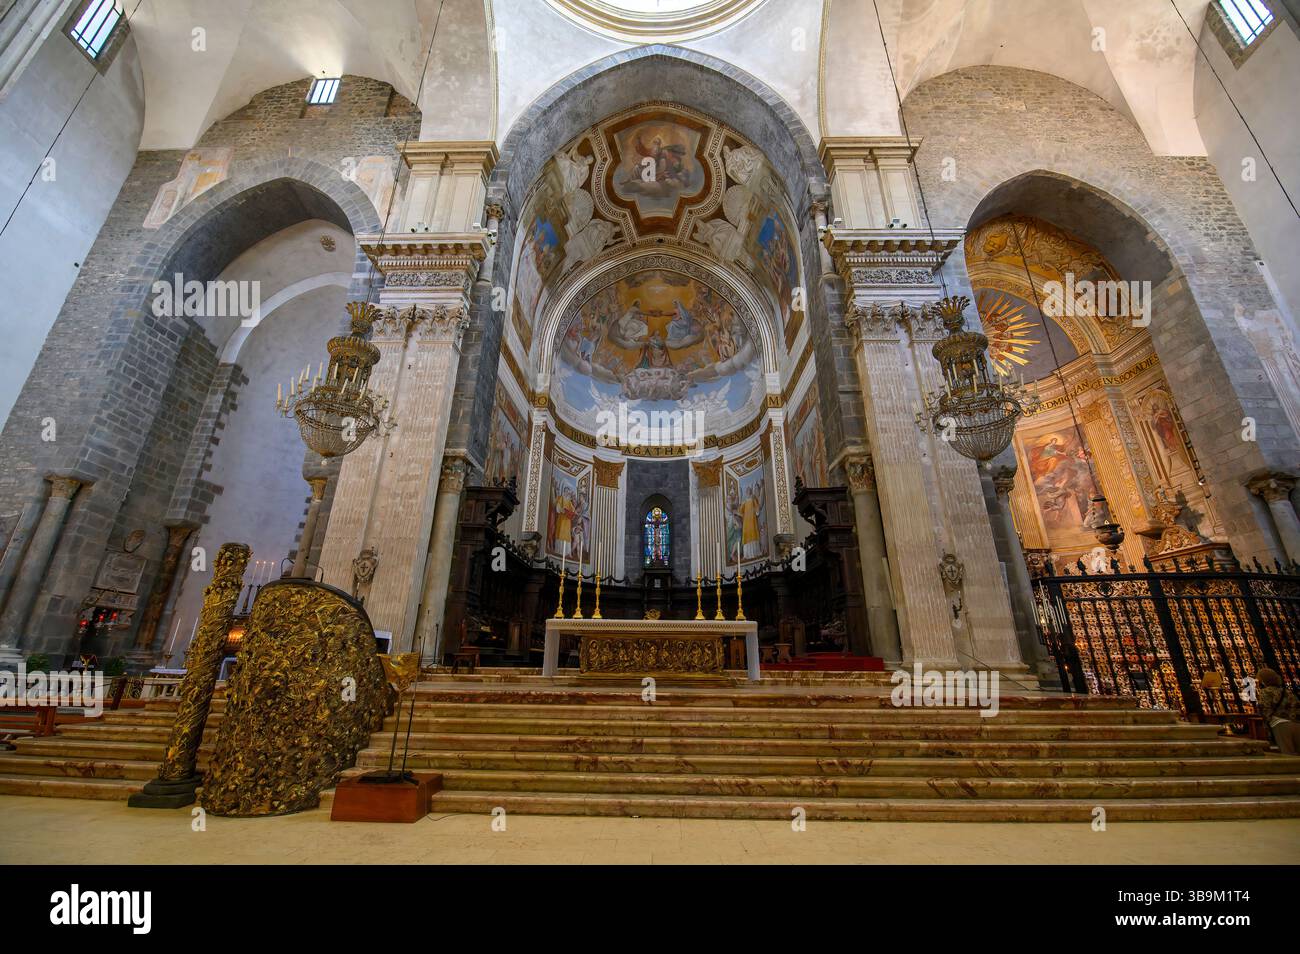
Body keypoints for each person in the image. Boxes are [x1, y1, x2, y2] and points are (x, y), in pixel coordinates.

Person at [1256, 668, 1300, 755]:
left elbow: (1264, 709)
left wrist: (1266, 726)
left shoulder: (1265, 692)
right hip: (1297, 723)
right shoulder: (1287, 691)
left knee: (1288, 753)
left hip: (1280, 724)